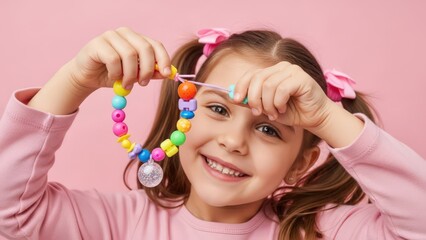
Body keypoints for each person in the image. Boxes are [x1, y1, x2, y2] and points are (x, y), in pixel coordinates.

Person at [0, 27, 425, 240]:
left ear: (299, 161)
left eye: (268, 129)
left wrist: (328, 119)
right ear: (184, 113)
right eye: (218, 109)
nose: (233, 141)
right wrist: (74, 80)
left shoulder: (320, 231)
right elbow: (9, 213)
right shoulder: (114, 224)